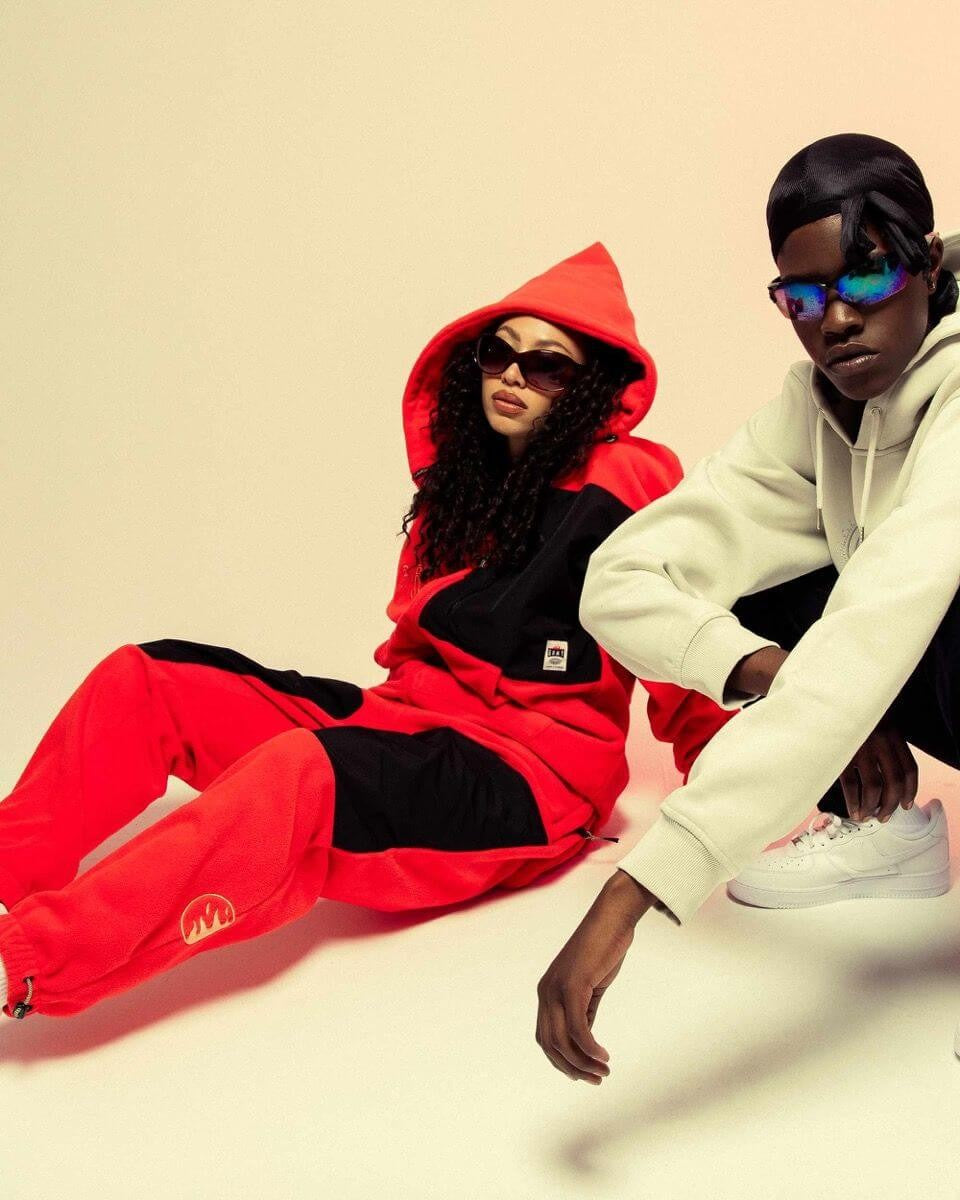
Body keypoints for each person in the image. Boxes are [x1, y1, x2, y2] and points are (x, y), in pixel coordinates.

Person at [0, 243, 731, 1021]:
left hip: (532, 780)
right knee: (148, 680)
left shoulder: (628, 480)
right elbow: (411, 644)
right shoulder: (460, 489)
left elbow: (680, 639)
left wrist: (740, 795)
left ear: (588, 388)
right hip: (413, 723)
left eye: (548, 365)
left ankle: (30, 961)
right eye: (499, 353)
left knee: (300, 774)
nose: (514, 376)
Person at [534, 132, 960, 1084]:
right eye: (803, 297)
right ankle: (888, 828)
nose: (836, 321)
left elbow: (885, 614)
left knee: (891, 611)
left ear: (929, 265)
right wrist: (773, 673)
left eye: (868, 276)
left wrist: (634, 891)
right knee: (774, 592)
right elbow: (622, 575)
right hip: (888, 641)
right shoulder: (816, 410)